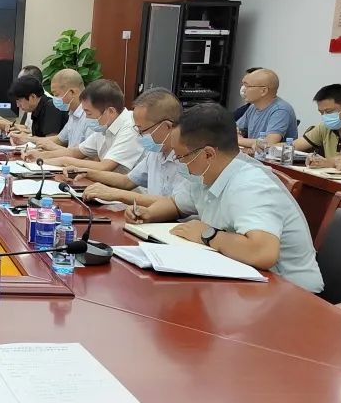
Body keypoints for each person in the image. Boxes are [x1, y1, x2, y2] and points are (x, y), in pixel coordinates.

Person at [129, 103, 323, 293]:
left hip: (290, 292)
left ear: (208, 154)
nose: (178, 162)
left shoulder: (250, 184)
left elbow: (263, 252)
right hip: (242, 277)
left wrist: (208, 235)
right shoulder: (205, 173)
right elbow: (176, 204)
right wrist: (148, 214)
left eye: (181, 156)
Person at [79, 88, 184, 206]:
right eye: (136, 128)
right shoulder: (156, 152)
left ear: (166, 126)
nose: (139, 134)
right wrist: (87, 173)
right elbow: (127, 181)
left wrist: (117, 194)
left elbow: (175, 205)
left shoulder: (186, 159)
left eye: (142, 129)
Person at [35, 79, 144, 174]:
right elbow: (75, 152)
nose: (86, 118)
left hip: (128, 190)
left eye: (89, 113)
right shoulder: (104, 125)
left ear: (110, 111)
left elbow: (104, 166)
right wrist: (40, 157)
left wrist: (65, 161)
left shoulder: (131, 127)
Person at [19, 69, 86, 150]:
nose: (54, 99)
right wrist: (27, 139)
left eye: (56, 95)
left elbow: (83, 154)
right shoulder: (72, 114)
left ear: (72, 92)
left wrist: (51, 149)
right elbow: (59, 139)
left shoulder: (89, 116)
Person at [236, 68, 298, 147]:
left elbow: (268, 143)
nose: (243, 90)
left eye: (247, 86)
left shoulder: (281, 110)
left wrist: (239, 140)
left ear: (263, 91)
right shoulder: (253, 107)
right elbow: (234, 130)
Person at [0, 65, 42, 132]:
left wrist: (8, 125)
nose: (17, 84)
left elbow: (39, 135)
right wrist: (7, 123)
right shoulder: (29, 100)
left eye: (20, 81)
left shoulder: (47, 104)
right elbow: (28, 128)